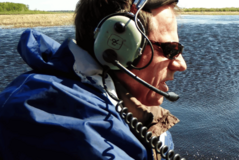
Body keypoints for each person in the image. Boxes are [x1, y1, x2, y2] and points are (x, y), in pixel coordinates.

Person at [0, 0, 187, 159]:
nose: (181, 64)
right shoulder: (63, 121)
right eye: (171, 50)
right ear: (120, 46)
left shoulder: (117, 102)